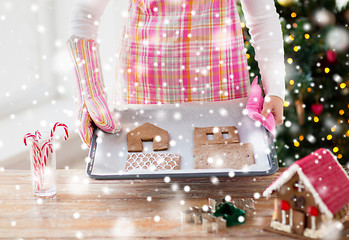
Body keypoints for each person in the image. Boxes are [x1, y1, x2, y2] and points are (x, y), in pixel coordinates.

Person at [67, 0, 285, 147]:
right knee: (145, 192)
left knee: (223, 195)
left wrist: (275, 89)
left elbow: (262, 18)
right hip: (145, 94)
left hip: (221, 91)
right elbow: (85, 14)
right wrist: (89, 90)